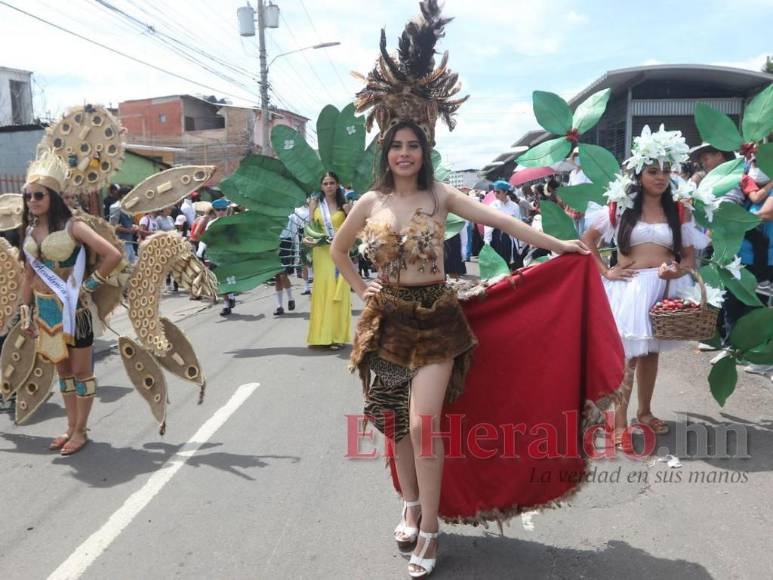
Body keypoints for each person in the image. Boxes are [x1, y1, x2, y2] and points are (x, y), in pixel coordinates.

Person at [337, 8, 591, 575]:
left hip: (436, 318)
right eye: (396, 145)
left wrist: (559, 245)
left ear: (425, 151)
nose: (405, 153)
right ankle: (407, 501)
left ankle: (429, 529)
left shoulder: (443, 196)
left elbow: (507, 226)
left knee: (424, 422)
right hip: (387, 318)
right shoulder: (368, 203)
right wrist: (361, 290)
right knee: (394, 421)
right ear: (386, 153)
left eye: (413, 145)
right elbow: (337, 251)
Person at [582, 125, 709, 449]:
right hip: (631, 289)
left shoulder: (679, 208)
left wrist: (676, 271)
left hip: (665, 288)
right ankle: (620, 422)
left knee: (651, 353)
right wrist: (606, 273)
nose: (660, 177)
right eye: (653, 171)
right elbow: (588, 243)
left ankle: (645, 411)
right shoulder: (620, 206)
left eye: (666, 171)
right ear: (639, 173)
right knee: (629, 356)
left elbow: (690, 259)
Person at [20, 150, 123, 455]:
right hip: (47, 311)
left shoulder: (73, 226)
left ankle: (81, 430)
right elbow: (28, 276)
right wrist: (25, 312)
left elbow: (112, 255)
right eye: (28, 196)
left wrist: (89, 285)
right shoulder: (29, 231)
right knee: (63, 373)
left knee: (81, 372)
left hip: (75, 310)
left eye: (39, 195)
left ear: (52, 195)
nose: (33, 201)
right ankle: (70, 426)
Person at [306, 172, 351, 349]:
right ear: (321, 186)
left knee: (339, 292)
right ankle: (321, 336)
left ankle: (337, 336)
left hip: (340, 253)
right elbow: (310, 230)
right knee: (323, 290)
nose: (329, 186)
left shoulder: (345, 206)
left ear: (338, 184)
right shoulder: (316, 205)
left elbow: (356, 229)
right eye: (325, 183)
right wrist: (310, 211)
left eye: (332, 183)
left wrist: (349, 213)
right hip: (321, 253)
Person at [483, 180, 522, 268]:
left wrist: (520, 244)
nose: (495, 194)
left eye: (498, 192)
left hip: (511, 237)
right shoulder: (493, 206)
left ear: (506, 192)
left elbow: (520, 224)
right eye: (494, 192)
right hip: (496, 237)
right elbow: (488, 224)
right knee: (498, 266)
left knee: (512, 265)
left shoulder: (514, 206)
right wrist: (487, 240)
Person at [109, 186, 138, 264]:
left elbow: (128, 223)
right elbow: (112, 226)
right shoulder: (116, 207)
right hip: (122, 242)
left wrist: (134, 227)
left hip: (130, 242)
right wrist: (128, 230)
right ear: (123, 196)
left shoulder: (128, 207)